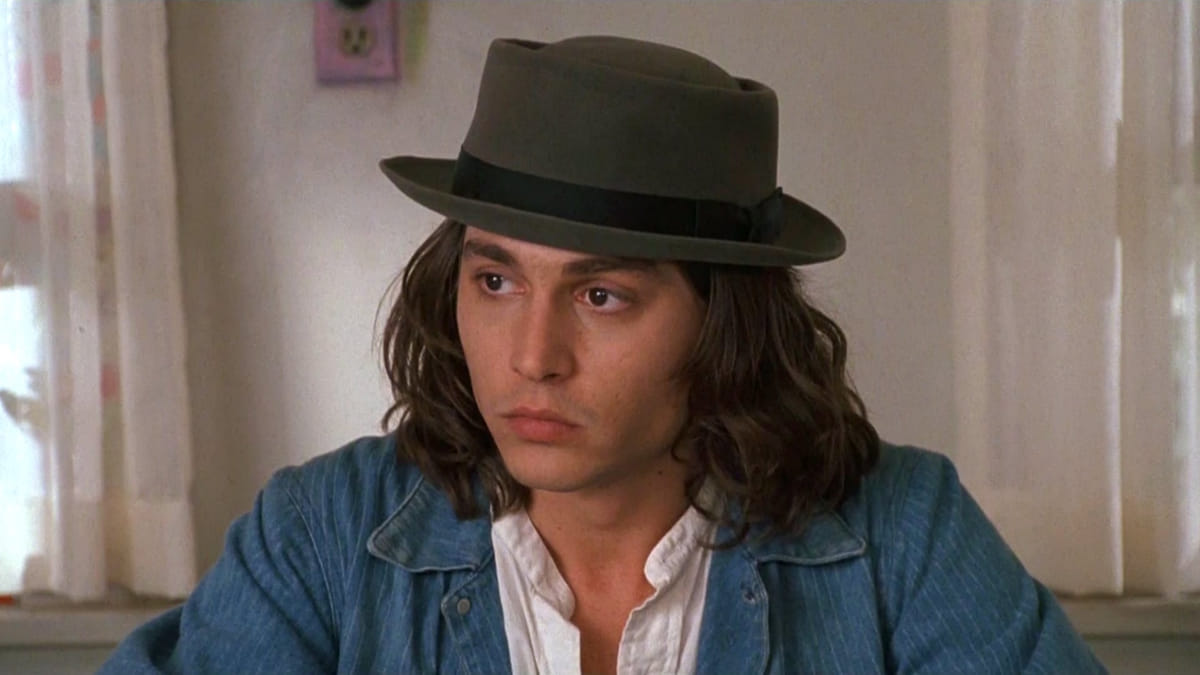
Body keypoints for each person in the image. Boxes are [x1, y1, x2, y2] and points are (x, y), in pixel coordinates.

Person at [101, 35, 1105, 674]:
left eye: (601, 295)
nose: (532, 357)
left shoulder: (903, 536)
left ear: (726, 323)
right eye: (496, 281)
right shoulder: (318, 537)